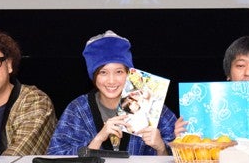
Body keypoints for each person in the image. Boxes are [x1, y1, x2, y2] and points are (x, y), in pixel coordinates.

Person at [48, 30, 177, 156]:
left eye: (119, 72)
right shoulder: (78, 109)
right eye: (103, 72)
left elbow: (181, 156)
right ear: (94, 76)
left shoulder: (152, 106)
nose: (111, 81)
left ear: (129, 73)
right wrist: (98, 139)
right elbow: (55, 154)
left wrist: (161, 148)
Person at [176, 34, 249, 136]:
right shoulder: (207, 105)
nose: (248, 73)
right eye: (240, 65)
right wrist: (181, 137)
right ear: (228, 73)